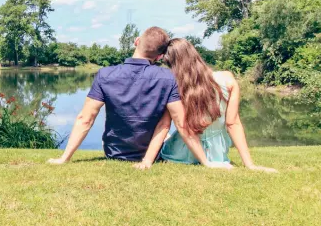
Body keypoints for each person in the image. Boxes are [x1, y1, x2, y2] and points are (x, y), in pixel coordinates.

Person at [47, 27, 230, 168]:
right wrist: (206, 163)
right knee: (166, 133)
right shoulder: (167, 78)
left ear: (136, 41)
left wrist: (64, 158)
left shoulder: (105, 75)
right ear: (159, 56)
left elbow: (85, 120)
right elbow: (179, 124)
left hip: (114, 153)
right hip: (151, 153)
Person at [144, 38, 276, 172]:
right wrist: (250, 165)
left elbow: (165, 125)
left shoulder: (175, 87)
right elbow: (233, 123)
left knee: (168, 134)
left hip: (178, 154)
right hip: (216, 155)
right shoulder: (227, 79)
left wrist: (147, 160)